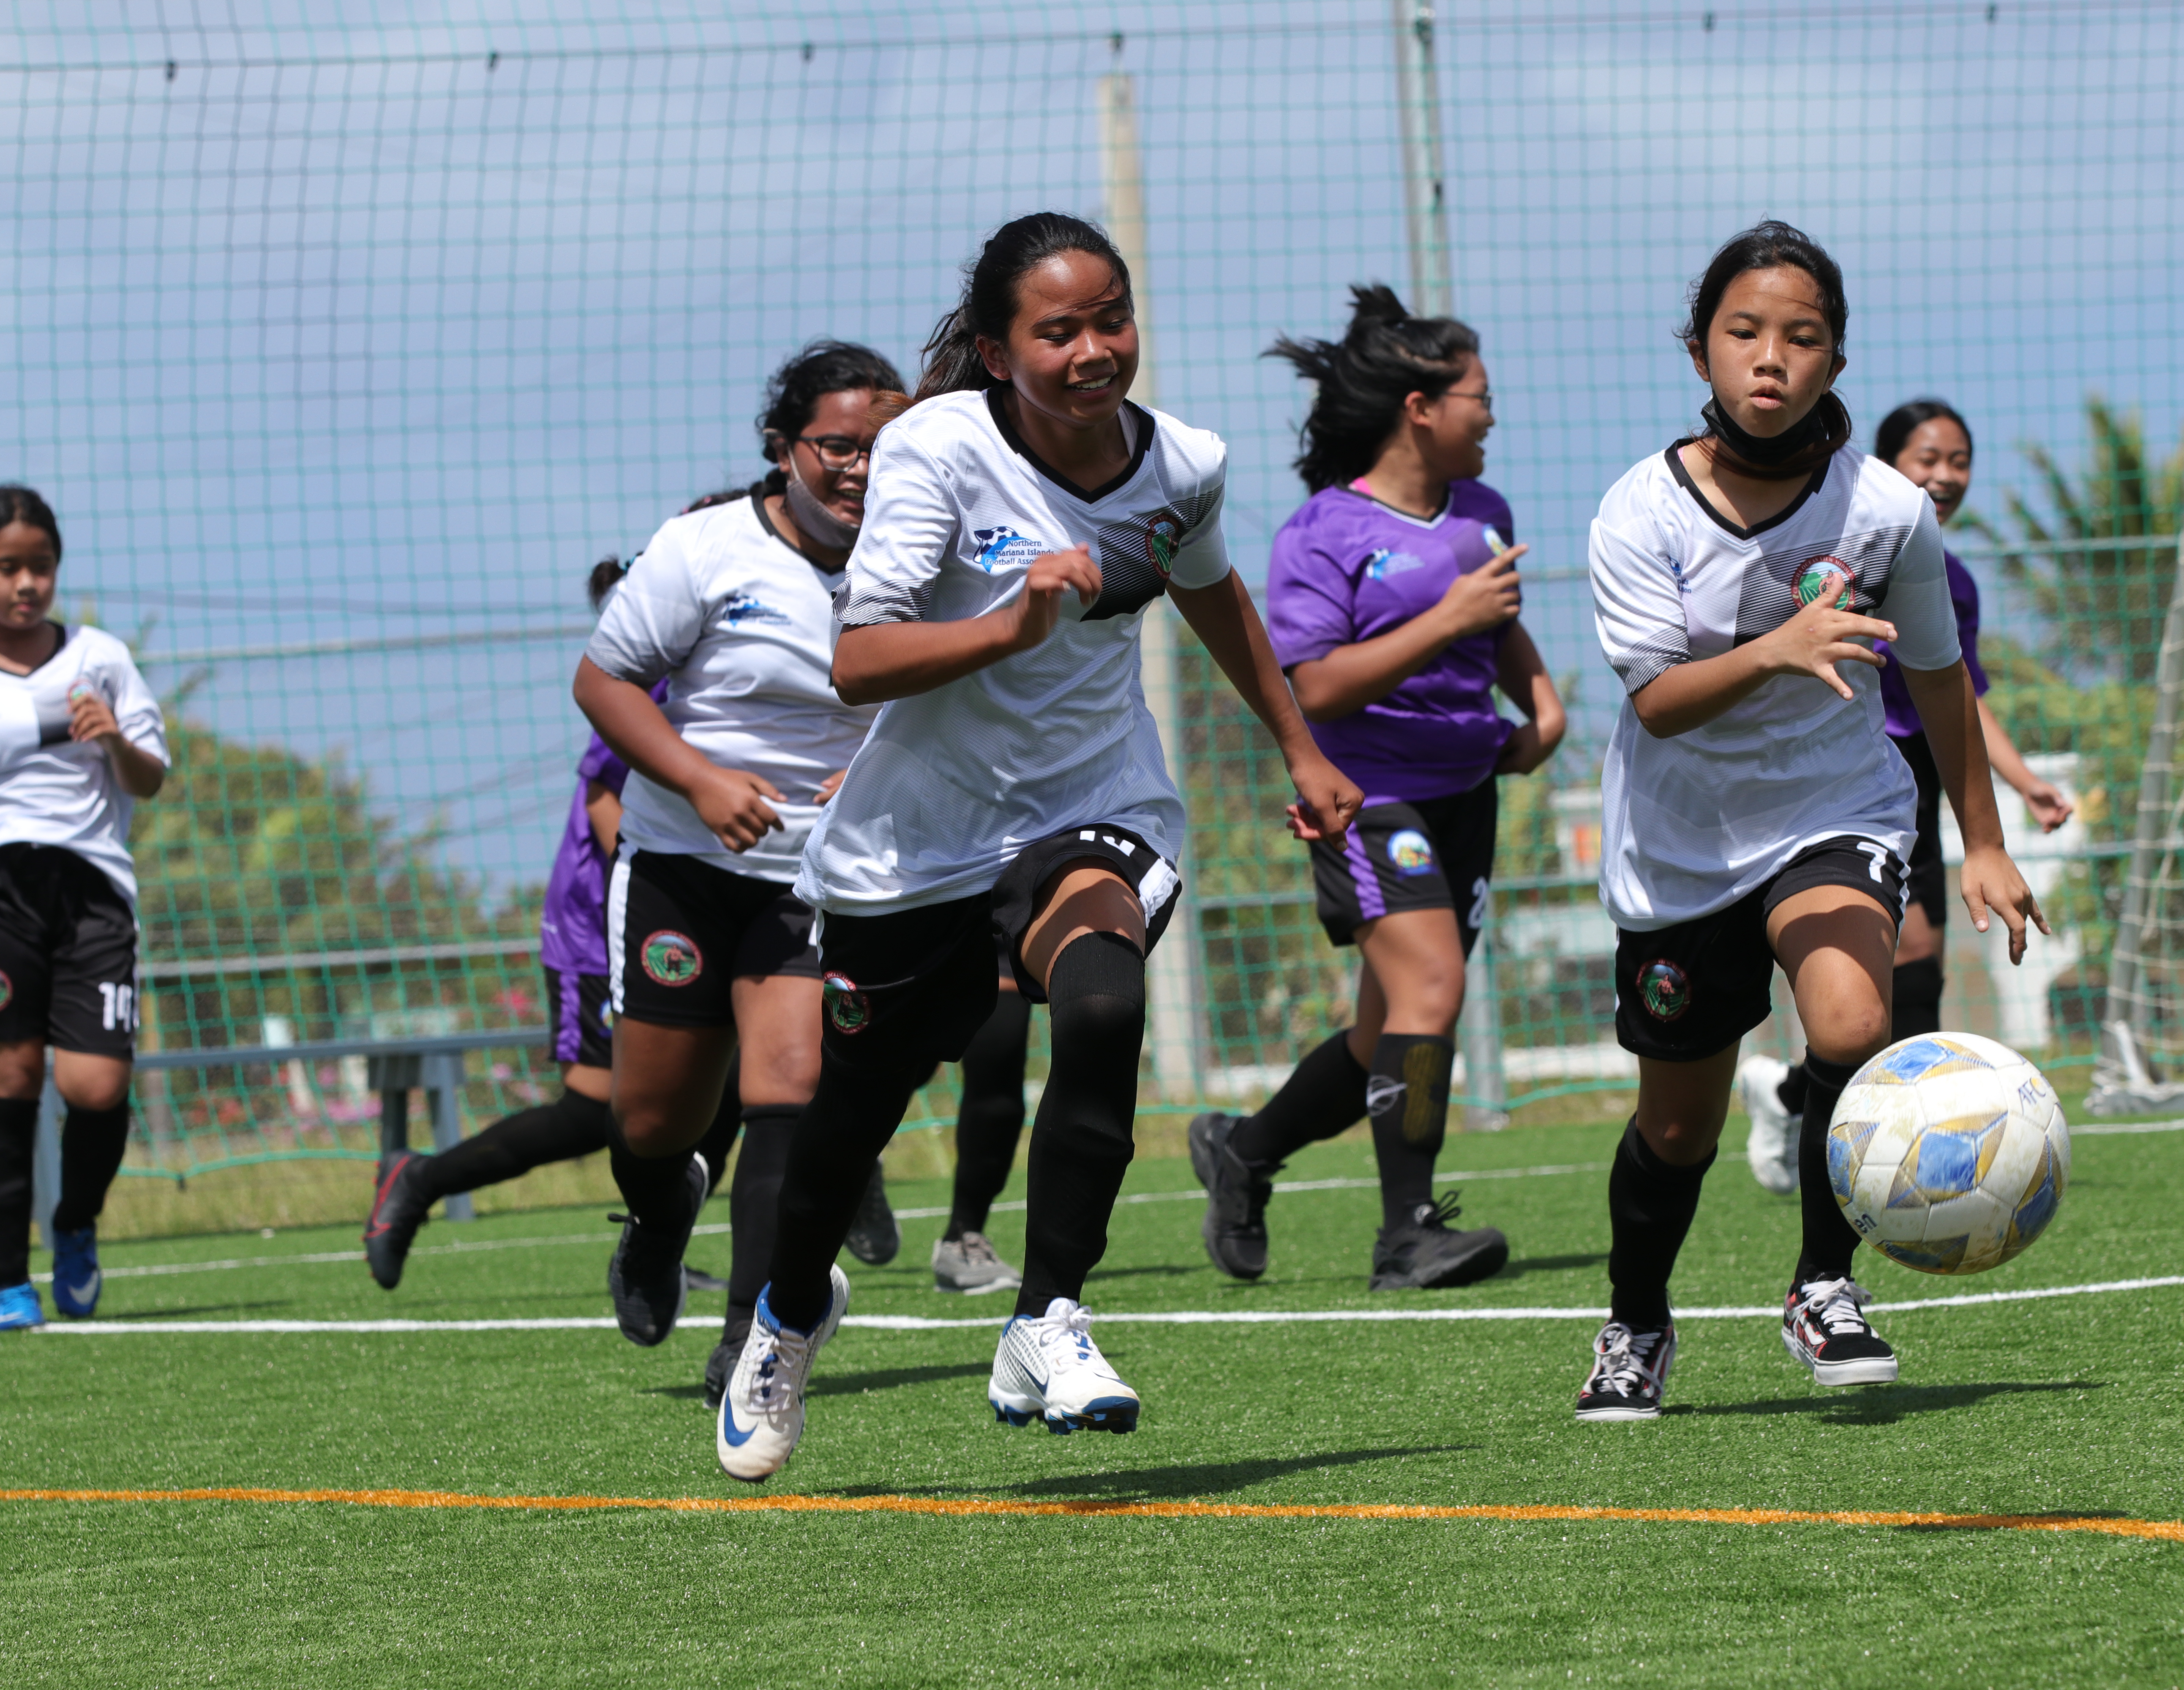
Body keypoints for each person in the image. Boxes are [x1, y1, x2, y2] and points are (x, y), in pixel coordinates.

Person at [714, 211, 1359, 1482]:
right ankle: (789, 1315)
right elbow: (858, 658)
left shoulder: (1181, 464)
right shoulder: (938, 450)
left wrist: (1301, 749)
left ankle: (1044, 1314)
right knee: (849, 1118)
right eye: (1055, 330)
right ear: (1001, 354)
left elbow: (1210, 591)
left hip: (1090, 797)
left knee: (1104, 1001)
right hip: (921, 833)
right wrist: (1010, 624)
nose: (1092, 349)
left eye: (1108, 318)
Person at [1573, 222, 2044, 1420]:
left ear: (1836, 362)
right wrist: (1780, 648)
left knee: (1851, 1019)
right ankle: (1635, 1324)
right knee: (1674, 1127)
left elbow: (1940, 678)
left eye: (1803, 337)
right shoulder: (1639, 514)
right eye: (1745, 334)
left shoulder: (1886, 512)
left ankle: (1822, 1285)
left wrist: (1984, 841)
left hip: (1834, 808)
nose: (1771, 359)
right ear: (1700, 352)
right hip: (1679, 842)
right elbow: (1659, 707)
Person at [1187, 284, 1565, 1289]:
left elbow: (1500, 619)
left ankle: (1244, 1151)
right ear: (1420, 408)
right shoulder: (1321, 533)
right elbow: (1318, 684)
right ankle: (1407, 1233)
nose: (1492, 413)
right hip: (1365, 798)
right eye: (1478, 395)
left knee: (1382, 1034)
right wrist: (1448, 619)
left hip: (1466, 791)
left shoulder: (1483, 510)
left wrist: (1541, 708)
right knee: (1432, 991)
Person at [570, 341, 902, 1380]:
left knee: (790, 1090)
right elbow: (605, 682)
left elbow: (948, 695)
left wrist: (888, 768)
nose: (858, 467)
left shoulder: (922, 557)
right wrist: (702, 780)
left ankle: (750, 1339)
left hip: (821, 876)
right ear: (784, 447)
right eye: (836, 446)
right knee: (653, 1119)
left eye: (880, 447)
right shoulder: (703, 548)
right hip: (684, 863)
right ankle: (660, 1218)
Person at [360, 551, 756, 1292]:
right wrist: (668, 892)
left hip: (700, 909)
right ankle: (419, 1181)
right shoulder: (654, 680)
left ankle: (662, 1240)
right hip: (605, 924)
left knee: (745, 1067)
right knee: (593, 1110)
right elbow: (606, 797)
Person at [1735, 400, 2074, 1192]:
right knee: (1907, 953)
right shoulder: (1851, 558)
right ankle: (1892, 1135)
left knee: (1923, 969)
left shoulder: (1949, 577)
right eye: (1928, 459)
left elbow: (1958, 694)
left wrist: (2023, 785)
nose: (1946, 475)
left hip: (1920, 780)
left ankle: (1803, 1099)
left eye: (1960, 460)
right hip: (1847, 780)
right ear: (1886, 469)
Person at [0, 486, 167, 1332]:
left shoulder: (101, 656)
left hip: (91, 891)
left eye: (41, 565)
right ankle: (9, 1282)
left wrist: (116, 740)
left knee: (96, 1086)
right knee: (9, 1083)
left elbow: (151, 778)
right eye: (6, 566)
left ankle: (76, 1222)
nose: (26, 583)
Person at [929, 960, 1031, 1294]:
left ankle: (963, 1236)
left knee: (999, 1059)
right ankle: (855, 1169)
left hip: (992, 918)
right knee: (889, 1070)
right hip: (900, 918)